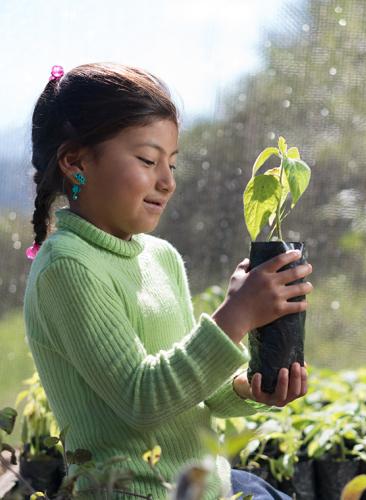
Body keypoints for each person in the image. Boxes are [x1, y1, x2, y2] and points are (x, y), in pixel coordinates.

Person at [23, 62, 313, 500]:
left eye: (172, 164)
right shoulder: (67, 267)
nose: (167, 182)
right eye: (147, 160)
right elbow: (143, 400)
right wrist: (236, 315)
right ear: (75, 161)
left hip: (209, 487)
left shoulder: (160, 257)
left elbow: (197, 394)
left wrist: (253, 388)